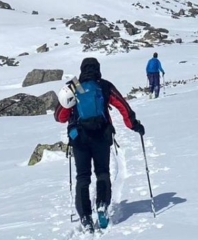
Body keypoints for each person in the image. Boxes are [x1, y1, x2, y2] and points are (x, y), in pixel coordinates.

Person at [55, 57, 144, 230]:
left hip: (79, 138)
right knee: (102, 172)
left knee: (83, 177)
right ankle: (102, 205)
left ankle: (85, 217)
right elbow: (123, 107)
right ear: (98, 69)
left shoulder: (73, 86)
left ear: (82, 69)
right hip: (101, 136)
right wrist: (135, 125)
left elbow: (60, 116)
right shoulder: (104, 85)